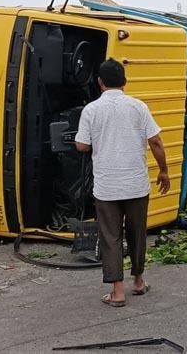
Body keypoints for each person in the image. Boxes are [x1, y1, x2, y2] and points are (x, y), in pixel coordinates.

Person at [75, 58, 170, 307]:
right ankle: (138, 281)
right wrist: (164, 171)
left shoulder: (91, 110)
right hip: (136, 184)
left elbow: (82, 145)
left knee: (111, 236)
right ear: (125, 82)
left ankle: (117, 292)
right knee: (137, 232)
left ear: (100, 83)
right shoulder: (138, 107)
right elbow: (157, 142)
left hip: (107, 187)